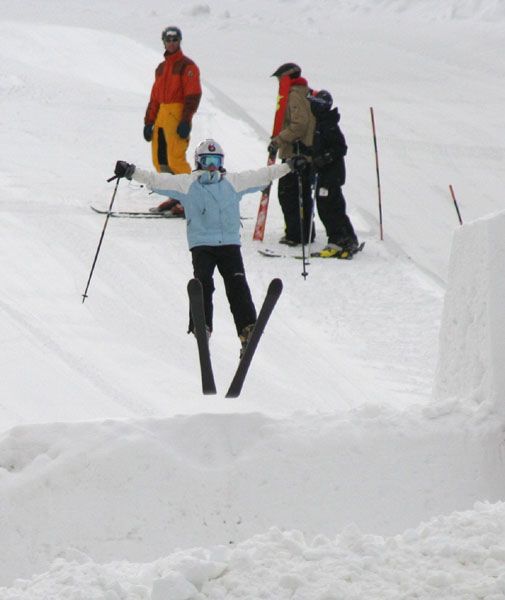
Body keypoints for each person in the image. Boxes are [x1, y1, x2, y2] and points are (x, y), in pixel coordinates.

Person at [113, 139, 306, 355]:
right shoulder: (187, 184)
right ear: (199, 162)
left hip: (229, 245)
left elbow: (263, 175)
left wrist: (289, 166)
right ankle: (202, 326)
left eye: (216, 160)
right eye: (207, 161)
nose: (212, 166)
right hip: (202, 245)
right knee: (203, 283)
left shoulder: (233, 182)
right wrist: (131, 171)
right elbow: (156, 180)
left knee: (237, 285)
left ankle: (247, 329)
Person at [143, 25, 202, 216]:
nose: (171, 43)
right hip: (161, 116)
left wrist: (186, 120)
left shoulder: (187, 66)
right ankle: (177, 196)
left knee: (176, 158)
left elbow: (193, 95)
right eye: (168, 40)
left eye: (175, 39)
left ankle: (190, 199)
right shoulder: (161, 69)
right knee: (160, 160)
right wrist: (149, 122)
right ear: (163, 42)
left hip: (177, 115)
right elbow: (154, 98)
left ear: (179, 41)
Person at [308, 90, 359, 258]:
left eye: (315, 103)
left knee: (328, 207)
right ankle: (348, 238)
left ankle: (338, 240)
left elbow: (340, 147)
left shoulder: (328, 125)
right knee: (332, 206)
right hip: (325, 174)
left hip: (331, 175)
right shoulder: (321, 122)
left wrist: (325, 158)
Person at [269, 62, 315, 246]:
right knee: (300, 194)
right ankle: (303, 231)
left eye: (280, 78)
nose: (279, 82)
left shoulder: (294, 95)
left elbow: (299, 124)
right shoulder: (306, 92)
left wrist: (278, 140)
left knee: (289, 194)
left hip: (297, 153)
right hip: (302, 153)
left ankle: (297, 234)